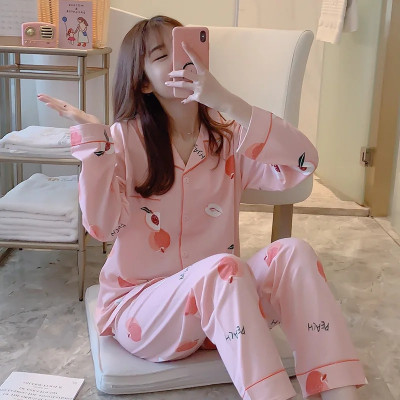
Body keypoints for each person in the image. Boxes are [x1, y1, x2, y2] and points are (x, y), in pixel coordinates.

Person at [38, 15, 367, 400]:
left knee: (295, 252)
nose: (181, 60)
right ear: (144, 82)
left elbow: (303, 163)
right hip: (144, 312)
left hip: (223, 315)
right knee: (223, 269)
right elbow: (102, 228)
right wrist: (96, 150)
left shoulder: (226, 138)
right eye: (163, 55)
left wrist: (229, 102)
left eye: (187, 48)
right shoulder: (123, 139)